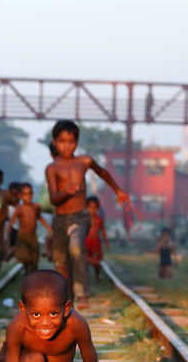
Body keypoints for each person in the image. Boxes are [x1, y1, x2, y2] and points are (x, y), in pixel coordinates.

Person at [45, 120, 129, 309]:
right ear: (55, 142)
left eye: (71, 141)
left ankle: (82, 291)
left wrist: (117, 190)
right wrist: (66, 191)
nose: (67, 146)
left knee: (76, 248)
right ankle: (65, 300)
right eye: (62, 141)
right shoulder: (52, 168)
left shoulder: (84, 162)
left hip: (80, 217)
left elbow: (102, 172)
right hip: (60, 220)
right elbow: (53, 199)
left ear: (77, 142)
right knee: (61, 263)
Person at [7, 182, 51, 274]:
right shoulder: (20, 209)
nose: (29, 196)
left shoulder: (35, 207)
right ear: (21, 196)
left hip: (33, 236)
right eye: (26, 194)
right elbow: (10, 224)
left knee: (34, 257)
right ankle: (26, 270)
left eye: (30, 193)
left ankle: (32, 275)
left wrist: (49, 228)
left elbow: (40, 218)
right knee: (25, 257)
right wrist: (8, 242)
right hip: (22, 236)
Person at [84, 196, 109, 282]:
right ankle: (85, 278)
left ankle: (97, 275)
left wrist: (106, 243)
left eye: (95, 208)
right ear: (86, 207)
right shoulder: (84, 219)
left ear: (98, 208)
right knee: (85, 261)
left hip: (96, 244)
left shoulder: (99, 220)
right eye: (90, 207)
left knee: (97, 264)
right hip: (86, 243)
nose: (92, 210)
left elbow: (103, 231)